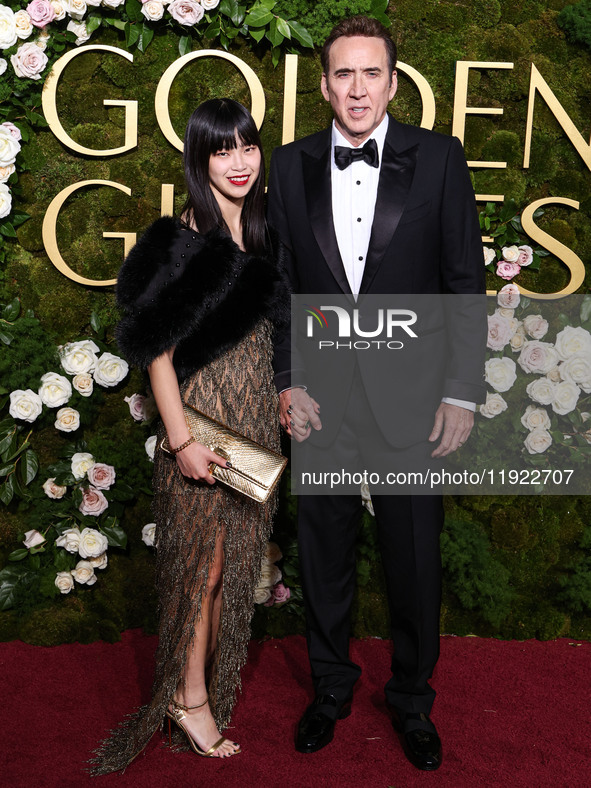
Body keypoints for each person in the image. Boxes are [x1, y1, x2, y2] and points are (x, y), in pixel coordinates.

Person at [268, 16, 485, 772]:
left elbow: (463, 282)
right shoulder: (289, 164)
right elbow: (282, 285)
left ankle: (410, 700)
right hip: (322, 399)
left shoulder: (440, 159)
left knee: (413, 559)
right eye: (342, 75)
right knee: (322, 554)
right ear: (324, 84)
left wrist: (460, 392)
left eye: (370, 74)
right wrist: (287, 380)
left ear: (392, 82)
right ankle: (329, 690)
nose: (356, 89)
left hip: (414, 398)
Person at [91, 98, 288, 773]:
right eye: (221, 150)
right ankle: (188, 696)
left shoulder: (265, 235)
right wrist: (180, 443)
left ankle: (189, 689)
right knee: (200, 571)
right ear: (200, 162)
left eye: (247, 146)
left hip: (255, 430)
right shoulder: (180, 237)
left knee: (231, 571)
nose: (238, 162)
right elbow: (157, 353)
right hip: (199, 429)